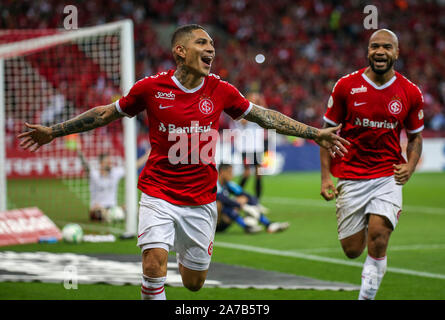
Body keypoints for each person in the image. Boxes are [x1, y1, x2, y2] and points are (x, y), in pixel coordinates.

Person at [17, 24, 349, 300]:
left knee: (194, 283)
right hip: (158, 192)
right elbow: (107, 112)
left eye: (212, 45)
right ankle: (159, 251)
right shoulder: (150, 88)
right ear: (180, 51)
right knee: (153, 265)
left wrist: (314, 133)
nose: (211, 50)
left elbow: (263, 116)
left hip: (201, 199)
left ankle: (179, 248)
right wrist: (55, 131)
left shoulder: (221, 90)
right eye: (202, 43)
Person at [319, 29, 424, 300]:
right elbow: (326, 134)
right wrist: (326, 178)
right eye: (375, 46)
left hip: (387, 175)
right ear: (368, 51)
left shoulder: (410, 92)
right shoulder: (346, 86)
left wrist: (410, 167)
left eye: (387, 47)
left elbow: (415, 138)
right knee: (352, 250)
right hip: (351, 176)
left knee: (378, 236)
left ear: (396, 52)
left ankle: (366, 297)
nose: (380, 51)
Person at [76, 146, 149, 222]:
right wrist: (78, 150)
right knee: (98, 212)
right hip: (98, 209)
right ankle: (114, 216)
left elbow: (133, 167)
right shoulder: (94, 175)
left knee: (133, 208)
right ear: (101, 164)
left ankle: (114, 215)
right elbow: (85, 166)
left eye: (110, 162)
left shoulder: (115, 173)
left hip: (112, 208)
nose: (110, 164)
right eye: (108, 162)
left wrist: (147, 156)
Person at [216, 163, 289, 234]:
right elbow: (221, 198)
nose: (232, 175)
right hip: (215, 223)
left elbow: (247, 196)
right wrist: (242, 206)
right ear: (222, 172)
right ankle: (247, 226)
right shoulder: (215, 184)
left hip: (225, 220)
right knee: (218, 204)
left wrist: (254, 205)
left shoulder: (229, 184)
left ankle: (268, 224)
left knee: (242, 199)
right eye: (230, 172)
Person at [233, 92, 268, 199]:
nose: (254, 99)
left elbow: (267, 116)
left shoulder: (260, 109)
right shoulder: (241, 110)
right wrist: (252, 108)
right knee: (247, 173)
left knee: (259, 173)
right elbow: (243, 122)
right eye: (252, 98)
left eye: (256, 98)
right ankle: (236, 196)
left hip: (257, 147)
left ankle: (257, 201)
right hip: (246, 147)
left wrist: (261, 103)